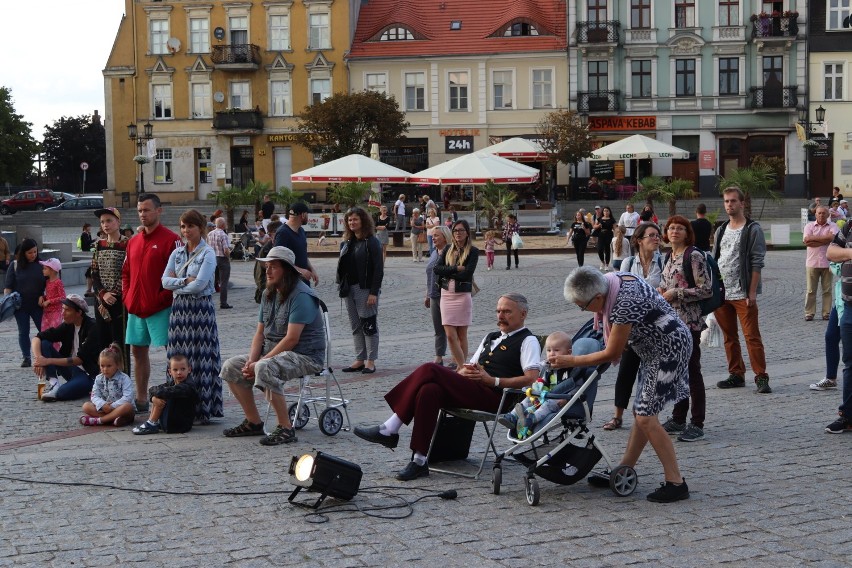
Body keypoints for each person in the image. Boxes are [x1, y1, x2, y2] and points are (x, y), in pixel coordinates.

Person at [354, 293, 541, 481]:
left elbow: (531, 378)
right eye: (498, 311)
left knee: (430, 369)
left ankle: (390, 427)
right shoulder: (490, 337)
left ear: (523, 314)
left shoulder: (527, 340)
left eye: (507, 312)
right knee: (429, 391)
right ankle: (419, 460)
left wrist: (494, 381)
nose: (500, 316)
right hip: (472, 389)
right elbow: (471, 366)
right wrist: (464, 372)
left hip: (497, 397)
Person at [563, 267, 691, 503]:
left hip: (668, 350)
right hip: (653, 349)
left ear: (599, 297)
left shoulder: (624, 304)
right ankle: (624, 469)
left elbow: (610, 351)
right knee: (642, 412)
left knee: (645, 416)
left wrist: (570, 360)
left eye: (583, 306)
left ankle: (676, 482)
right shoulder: (610, 281)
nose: (583, 310)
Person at [220, 246, 325, 445]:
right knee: (230, 366)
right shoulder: (269, 294)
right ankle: (253, 422)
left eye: (273, 267)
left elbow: (292, 339)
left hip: (305, 355)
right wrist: (251, 361)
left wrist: (260, 362)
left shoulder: (301, 295)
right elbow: (259, 334)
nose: (267, 271)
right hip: (274, 351)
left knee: (264, 367)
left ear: (286, 269)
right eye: (266, 267)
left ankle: (286, 428)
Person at [601, 222, 664, 432]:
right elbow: (615, 294)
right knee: (626, 372)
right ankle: (617, 416)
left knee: (651, 374)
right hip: (630, 327)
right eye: (651, 236)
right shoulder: (628, 263)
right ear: (639, 240)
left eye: (657, 235)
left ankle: (647, 416)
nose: (656, 238)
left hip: (655, 329)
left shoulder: (662, 262)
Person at [162, 209, 222, 424]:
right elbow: (164, 282)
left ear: (200, 228)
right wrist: (183, 282)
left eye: (190, 226)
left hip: (200, 310)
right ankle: (177, 405)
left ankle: (202, 407)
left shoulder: (208, 253)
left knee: (201, 357)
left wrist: (177, 284)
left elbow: (201, 285)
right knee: (179, 356)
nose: (186, 231)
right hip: (179, 311)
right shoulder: (176, 253)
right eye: (183, 226)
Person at [122, 193, 181, 411]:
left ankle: (178, 394)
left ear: (159, 211)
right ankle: (140, 399)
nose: (142, 214)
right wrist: (128, 298)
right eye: (139, 210)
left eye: (146, 210)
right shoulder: (133, 241)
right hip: (136, 308)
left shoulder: (171, 239)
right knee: (138, 352)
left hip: (160, 308)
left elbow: (177, 276)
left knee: (173, 353)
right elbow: (126, 272)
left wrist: (161, 298)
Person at [657, 216, 713, 442]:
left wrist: (676, 293)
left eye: (680, 228)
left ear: (687, 232)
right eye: (671, 228)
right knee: (676, 372)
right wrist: (661, 292)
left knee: (692, 371)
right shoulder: (668, 256)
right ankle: (679, 418)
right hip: (670, 324)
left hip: (689, 323)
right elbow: (665, 284)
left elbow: (706, 289)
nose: (674, 231)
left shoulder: (694, 255)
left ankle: (697, 422)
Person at [713, 186, 770, 393]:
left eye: (733, 201)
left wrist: (752, 292)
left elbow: (757, 262)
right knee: (729, 337)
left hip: (743, 292)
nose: (729, 205)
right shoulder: (721, 229)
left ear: (742, 203)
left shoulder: (752, 229)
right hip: (722, 293)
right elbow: (715, 259)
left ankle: (761, 376)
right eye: (727, 201)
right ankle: (736, 373)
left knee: (751, 336)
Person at [498, 331, 599, 439]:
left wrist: (567, 399)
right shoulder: (549, 369)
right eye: (548, 350)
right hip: (545, 394)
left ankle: (531, 419)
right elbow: (544, 381)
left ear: (568, 353)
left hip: (559, 398)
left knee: (548, 405)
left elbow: (578, 387)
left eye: (556, 350)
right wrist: (537, 387)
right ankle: (513, 416)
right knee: (529, 398)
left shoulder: (573, 370)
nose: (551, 354)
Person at [337, 207, 384, 374]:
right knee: (356, 325)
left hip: (365, 289)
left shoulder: (372, 241)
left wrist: (373, 292)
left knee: (369, 325)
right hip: (349, 289)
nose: (352, 223)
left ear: (363, 221)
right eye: (349, 220)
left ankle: (371, 361)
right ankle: (359, 359)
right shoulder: (348, 242)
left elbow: (378, 269)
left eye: (355, 219)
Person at [33, 294, 105, 402]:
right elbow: (37, 337)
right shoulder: (68, 325)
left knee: (62, 393)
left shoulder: (92, 328)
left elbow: (79, 359)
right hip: (72, 370)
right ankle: (54, 384)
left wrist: (47, 361)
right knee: (44, 343)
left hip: (88, 374)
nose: (63, 313)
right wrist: (39, 359)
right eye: (62, 309)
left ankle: (88, 387)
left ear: (79, 312)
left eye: (67, 310)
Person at [434, 219, 479, 369]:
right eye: (455, 231)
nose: (458, 233)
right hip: (446, 296)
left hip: (462, 296)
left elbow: (467, 274)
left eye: (461, 230)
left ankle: (461, 367)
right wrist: (455, 268)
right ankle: (462, 366)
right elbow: (437, 269)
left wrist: (449, 272)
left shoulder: (473, 251)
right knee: (450, 335)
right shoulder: (447, 249)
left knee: (461, 335)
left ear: (467, 233)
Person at [91, 207, 130, 369]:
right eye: (102, 222)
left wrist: (113, 293)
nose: (105, 225)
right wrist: (103, 294)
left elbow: (127, 271)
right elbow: (94, 272)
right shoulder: (98, 245)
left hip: (119, 301)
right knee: (103, 343)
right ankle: (105, 383)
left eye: (109, 220)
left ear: (118, 222)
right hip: (101, 301)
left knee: (120, 344)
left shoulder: (127, 244)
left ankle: (123, 382)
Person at [825, 221, 852, 433]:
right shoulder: (850, 226)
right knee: (850, 363)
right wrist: (850, 253)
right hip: (849, 304)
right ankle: (848, 416)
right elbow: (831, 251)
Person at [133, 353, 200, 435]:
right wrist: (153, 398)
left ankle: (151, 423)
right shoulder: (172, 383)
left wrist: (152, 391)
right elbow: (158, 389)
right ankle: (152, 422)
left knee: (162, 396)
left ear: (189, 369)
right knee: (158, 396)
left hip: (180, 424)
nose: (179, 373)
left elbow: (163, 392)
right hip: (171, 420)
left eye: (183, 369)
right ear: (170, 372)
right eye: (175, 370)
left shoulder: (187, 386)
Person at [4, 238, 45, 367]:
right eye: (30, 253)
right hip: (20, 306)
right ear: (23, 253)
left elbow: (49, 283)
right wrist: (7, 302)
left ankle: (46, 353)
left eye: (35, 252)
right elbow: (8, 286)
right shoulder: (15, 265)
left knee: (43, 330)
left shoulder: (42, 265)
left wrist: (44, 296)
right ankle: (26, 357)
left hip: (38, 305)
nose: (33, 255)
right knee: (23, 331)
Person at [79, 343, 135, 427]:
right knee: (86, 406)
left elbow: (127, 397)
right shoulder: (98, 378)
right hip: (104, 409)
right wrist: (103, 405)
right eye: (102, 366)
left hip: (120, 409)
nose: (105, 369)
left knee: (127, 406)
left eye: (109, 366)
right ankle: (112, 419)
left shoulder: (124, 378)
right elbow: (94, 396)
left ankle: (100, 420)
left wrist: (112, 406)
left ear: (117, 365)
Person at [811, 261, 843, 392]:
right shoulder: (844, 240)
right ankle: (831, 378)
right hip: (842, 299)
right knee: (830, 336)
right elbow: (833, 260)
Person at [803, 206, 838, 321]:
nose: (821, 215)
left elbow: (833, 238)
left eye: (824, 213)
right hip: (812, 263)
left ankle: (826, 313)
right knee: (810, 290)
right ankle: (809, 313)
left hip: (827, 263)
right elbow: (807, 241)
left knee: (827, 290)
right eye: (819, 213)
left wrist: (815, 239)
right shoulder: (809, 226)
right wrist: (826, 240)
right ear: (815, 214)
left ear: (828, 215)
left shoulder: (833, 226)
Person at [274, 201, 318, 285]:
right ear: (303, 215)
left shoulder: (301, 231)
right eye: (307, 214)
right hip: (290, 283)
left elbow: (302, 254)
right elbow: (279, 259)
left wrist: (312, 269)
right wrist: (300, 270)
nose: (308, 217)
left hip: (303, 281)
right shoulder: (283, 233)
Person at [425, 226, 451, 366]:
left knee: (452, 328)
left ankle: (456, 356)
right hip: (434, 295)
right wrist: (427, 294)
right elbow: (429, 274)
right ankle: (439, 355)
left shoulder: (451, 253)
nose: (433, 238)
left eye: (436, 235)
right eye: (433, 235)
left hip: (448, 295)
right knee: (438, 328)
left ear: (445, 237)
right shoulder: (434, 252)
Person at [206, 217, 232, 309]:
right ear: (223, 225)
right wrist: (229, 256)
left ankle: (207, 302)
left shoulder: (209, 234)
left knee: (212, 282)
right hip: (222, 259)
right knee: (223, 282)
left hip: (213, 259)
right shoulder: (223, 235)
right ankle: (223, 303)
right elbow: (226, 250)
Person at [254, 220, 281, 303]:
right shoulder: (266, 249)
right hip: (270, 293)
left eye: (271, 234)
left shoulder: (285, 245)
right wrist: (266, 290)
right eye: (269, 235)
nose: (270, 237)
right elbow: (258, 274)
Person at [39, 258, 65, 334]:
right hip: (46, 312)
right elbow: (49, 295)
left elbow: (63, 297)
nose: (43, 270)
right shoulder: (47, 282)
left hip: (56, 313)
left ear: (52, 270)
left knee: (55, 334)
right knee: (45, 333)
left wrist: (49, 301)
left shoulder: (58, 282)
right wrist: (42, 298)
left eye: (45, 269)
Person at [593, 206, 616, 271]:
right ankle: (602, 261)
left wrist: (616, 236)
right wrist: (598, 226)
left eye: (607, 211)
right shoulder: (599, 218)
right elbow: (594, 226)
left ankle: (607, 264)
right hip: (601, 234)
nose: (606, 212)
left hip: (609, 235)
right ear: (603, 212)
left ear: (609, 212)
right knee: (599, 249)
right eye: (604, 211)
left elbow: (615, 229)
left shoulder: (612, 219)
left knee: (607, 250)